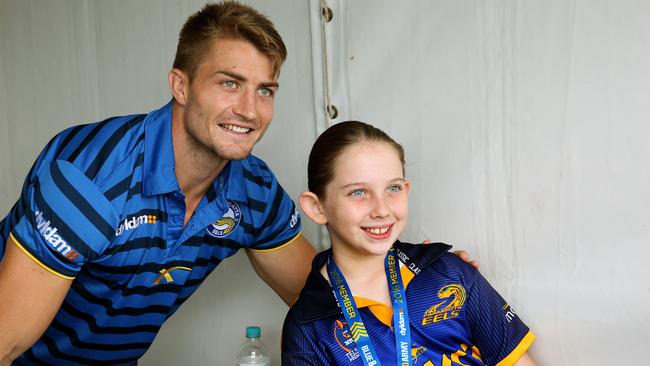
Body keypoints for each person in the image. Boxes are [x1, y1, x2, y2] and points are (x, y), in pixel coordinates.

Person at [0, 2, 477, 365]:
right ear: (181, 86)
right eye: (230, 83)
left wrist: (424, 274)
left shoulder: (253, 190)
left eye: (264, 90)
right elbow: (9, 338)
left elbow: (323, 294)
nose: (249, 110)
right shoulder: (90, 173)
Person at [281, 121, 537, 366]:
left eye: (393, 188)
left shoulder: (449, 272)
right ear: (316, 208)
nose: (381, 209)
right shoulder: (307, 325)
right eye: (358, 192)